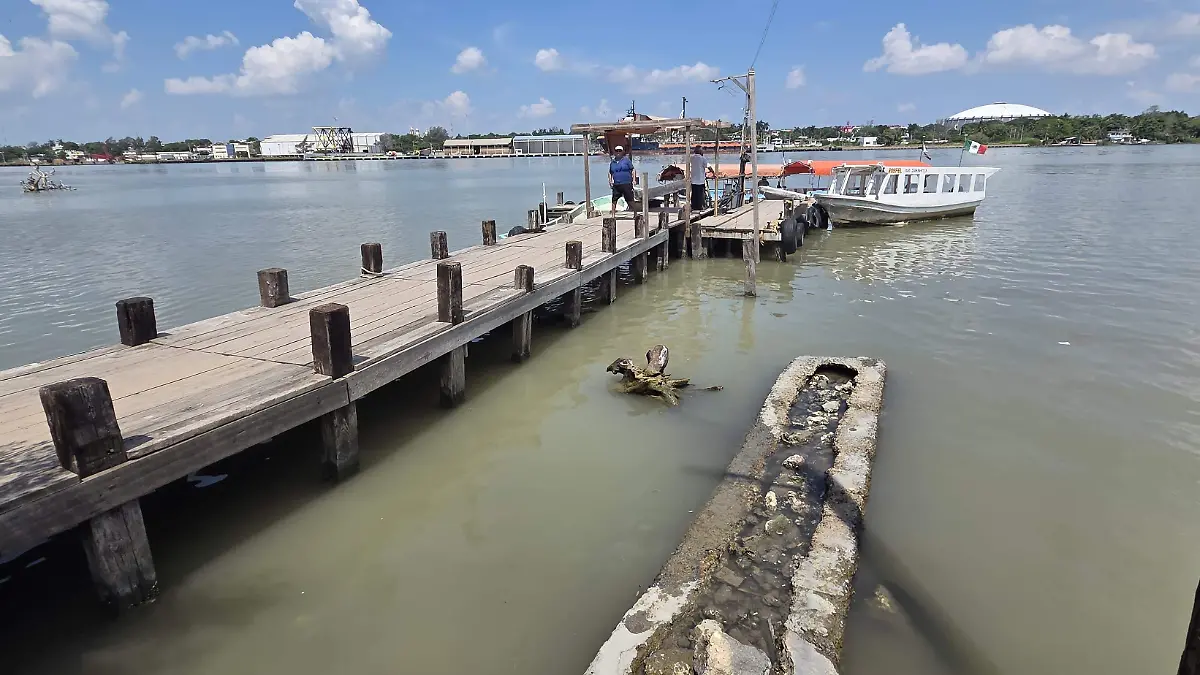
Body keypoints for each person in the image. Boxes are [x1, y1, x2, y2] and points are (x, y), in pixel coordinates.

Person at [609, 145, 636, 217]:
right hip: (616, 184)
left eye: (619, 150)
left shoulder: (626, 160)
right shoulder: (613, 162)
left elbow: (633, 170)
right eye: (616, 151)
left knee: (630, 199)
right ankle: (613, 215)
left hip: (626, 183)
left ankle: (635, 213)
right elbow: (610, 172)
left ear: (622, 151)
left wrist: (634, 180)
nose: (618, 152)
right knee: (614, 200)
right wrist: (610, 181)